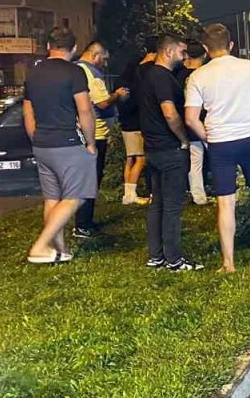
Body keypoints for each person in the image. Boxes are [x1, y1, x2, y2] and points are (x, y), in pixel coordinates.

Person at [185, 24, 250, 272]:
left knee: (226, 202)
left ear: (206, 49)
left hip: (220, 144)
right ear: (231, 45)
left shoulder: (198, 76)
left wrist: (207, 137)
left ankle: (228, 263)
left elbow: (190, 119)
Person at [23, 28, 96, 264]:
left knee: (52, 199)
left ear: (48, 47)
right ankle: (40, 246)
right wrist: (91, 143)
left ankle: (59, 250)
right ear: (74, 49)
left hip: (42, 144)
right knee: (77, 195)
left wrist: (36, 138)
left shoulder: (33, 73)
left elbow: (28, 112)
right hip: (66, 142)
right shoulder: (74, 72)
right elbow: (84, 110)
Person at [138, 34, 202, 272]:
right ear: (168, 51)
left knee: (157, 204)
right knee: (173, 207)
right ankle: (174, 259)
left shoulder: (147, 77)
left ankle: (156, 256)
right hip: (170, 149)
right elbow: (169, 113)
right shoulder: (163, 78)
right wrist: (183, 139)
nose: (185, 56)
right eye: (181, 51)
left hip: (153, 150)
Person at [74, 41, 128, 238]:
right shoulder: (89, 73)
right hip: (94, 134)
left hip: (85, 133)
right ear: (95, 56)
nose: (105, 64)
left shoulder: (76, 70)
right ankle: (83, 224)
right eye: (104, 59)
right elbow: (102, 102)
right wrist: (118, 95)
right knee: (90, 180)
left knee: (87, 179)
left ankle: (84, 221)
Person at [117, 39, 156, 205]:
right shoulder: (135, 83)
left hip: (125, 124)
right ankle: (131, 194)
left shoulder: (120, 82)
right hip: (135, 124)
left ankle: (127, 194)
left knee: (130, 159)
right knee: (140, 159)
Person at [177, 41, 210, 205]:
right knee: (219, 157)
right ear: (204, 55)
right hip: (209, 122)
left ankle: (198, 196)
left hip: (189, 122)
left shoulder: (180, 76)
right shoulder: (205, 74)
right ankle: (226, 190)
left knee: (195, 161)